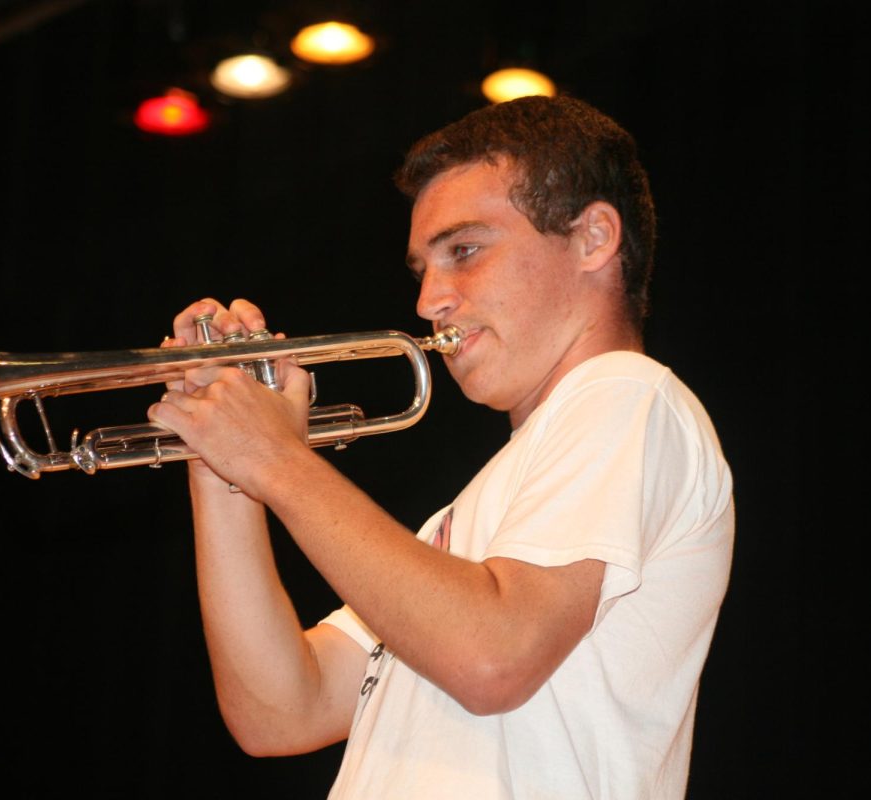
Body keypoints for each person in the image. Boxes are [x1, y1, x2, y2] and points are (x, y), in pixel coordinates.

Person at [149, 95, 734, 799]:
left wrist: (275, 458)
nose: (429, 300)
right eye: (422, 268)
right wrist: (222, 464)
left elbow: (493, 657)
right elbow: (280, 711)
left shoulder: (628, 395)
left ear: (593, 239)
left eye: (465, 251)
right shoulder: (460, 525)